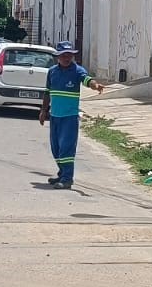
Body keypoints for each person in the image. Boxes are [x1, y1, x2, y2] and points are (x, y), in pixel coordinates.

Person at [39, 42, 104, 189]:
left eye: (69, 55)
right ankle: (62, 173)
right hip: (55, 116)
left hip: (69, 117)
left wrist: (95, 86)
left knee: (66, 148)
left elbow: (87, 80)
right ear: (58, 56)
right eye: (64, 55)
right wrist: (43, 110)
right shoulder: (52, 72)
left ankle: (67, 179)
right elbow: (47, 92)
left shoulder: (77, 71)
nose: (67, 58)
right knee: (56, 148)